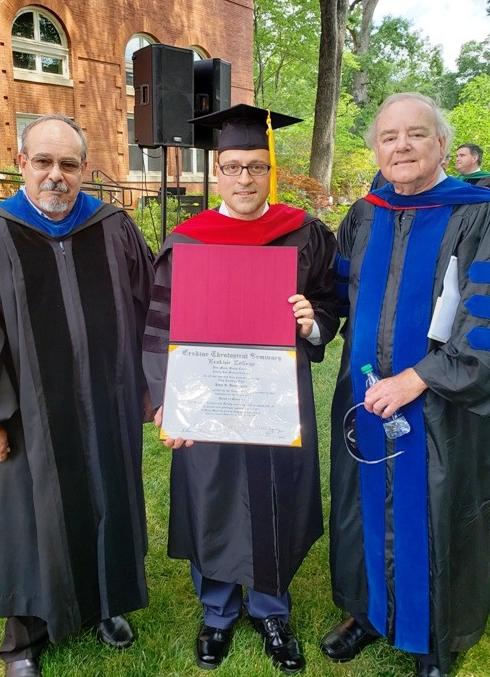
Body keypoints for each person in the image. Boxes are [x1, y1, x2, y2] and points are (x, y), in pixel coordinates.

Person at [0, 115, 154, 677]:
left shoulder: (114, 226)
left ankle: (107, 605)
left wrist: (154, 389)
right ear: (21, 162)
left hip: (108, 401)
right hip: (26, 414)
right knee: (26, 517)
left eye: (69, 164)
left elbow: (152, 310)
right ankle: (25, 636)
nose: (56, 176)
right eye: (44, 162)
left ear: (84, 167)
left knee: (110, 498)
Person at [143, 104, 340, 674]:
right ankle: (217, 612)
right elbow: (158, 328)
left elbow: (330, 303)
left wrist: (312, 322)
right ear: (217, 170)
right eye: (232, 167)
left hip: (276, 400)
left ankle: (271, 609)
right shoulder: (188, 242)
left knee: (275, 493)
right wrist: (164, 404)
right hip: (206, 400)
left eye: (256, 166)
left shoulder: (304, 234)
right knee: (212, 494)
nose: (245, 179)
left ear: (269, 169)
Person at [322, 93, 490, 677]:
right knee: (361, 504)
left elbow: (484, 322)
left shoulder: (478, 214)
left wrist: (418, 377)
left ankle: (436, 638)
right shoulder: (365, 213)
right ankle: (368, 613)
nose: (402, 146)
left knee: (438, 512)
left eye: (416, 134)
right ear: (375, 149)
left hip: (442, 405)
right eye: (389, 137)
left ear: (442, 144)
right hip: (367, 396)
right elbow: (335, 293)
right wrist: (312, 321)